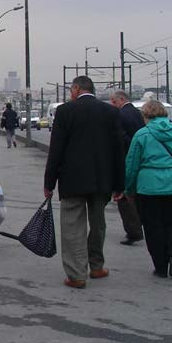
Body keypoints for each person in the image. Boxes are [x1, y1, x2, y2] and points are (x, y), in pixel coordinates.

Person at [44, 76, 125, 289]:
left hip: (73, 180)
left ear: (77, 88)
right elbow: (119, 151)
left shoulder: (65, 111)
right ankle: (97, 267)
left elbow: (56, 151)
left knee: (72, 227)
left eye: (71, 89)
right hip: (102, 180)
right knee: (98, 224)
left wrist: (49, 182)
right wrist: (120, 184)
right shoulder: (111, 112)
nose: (71, 92)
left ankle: (77, 274)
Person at [125, 100, 172, 278]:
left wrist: (128, 188)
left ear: (145, 116)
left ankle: (160, 266)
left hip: (147, 187)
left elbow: (132, 165)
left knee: (152, 226)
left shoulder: (141, 135)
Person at [110, 90, 145, 245]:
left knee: (124, 196)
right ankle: (141, 225)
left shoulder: (120, 115)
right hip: (141, 160)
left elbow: (119, 138)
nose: (113, 105)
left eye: (114, 102)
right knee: (137, 195)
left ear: (122, 99)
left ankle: (133, 231)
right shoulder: (138, 113)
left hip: (125, 159)